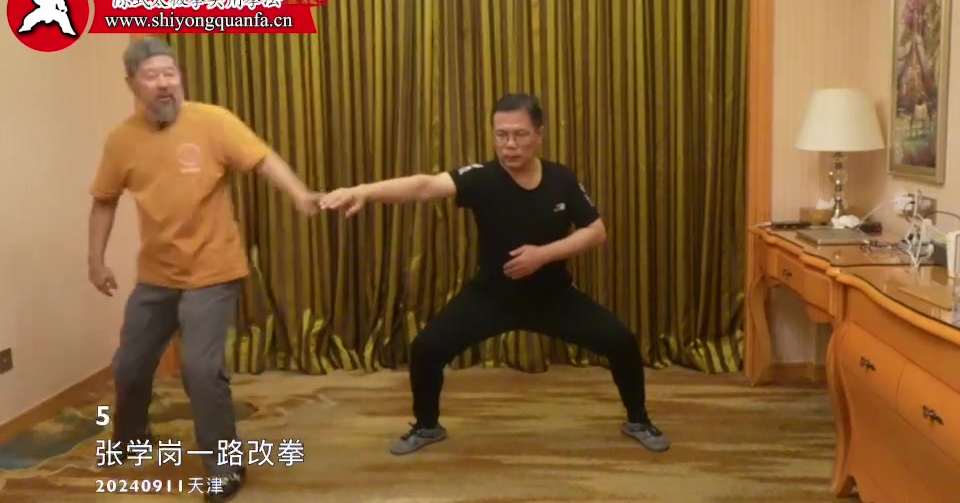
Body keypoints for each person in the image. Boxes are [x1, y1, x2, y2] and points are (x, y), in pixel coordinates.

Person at [319, 93, 669, 455]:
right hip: (491, 296)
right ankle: (426, 427)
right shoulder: (482, 178)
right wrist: (361, 191)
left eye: (519, 135)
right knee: (426, 349)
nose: (509, 144)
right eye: (501, 135)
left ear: (539, 135)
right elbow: (424, 186)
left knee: (621, 341)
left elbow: (596, 232)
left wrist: (542, 255)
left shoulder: (561, 179)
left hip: (553, 296)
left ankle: (638, 420)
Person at [87, 37, 323, 502]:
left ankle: (225, 467)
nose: (164, 84)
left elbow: (263, 159)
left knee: (200, 368)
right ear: (132, 85)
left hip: (213, 269)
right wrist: (96, 260)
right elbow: (104, 201)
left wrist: (299, 194)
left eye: (170, 73)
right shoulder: (121, 140)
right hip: (157, 273)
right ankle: (131, 436)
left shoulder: (212, 121)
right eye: (152, 76)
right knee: (130, 365)